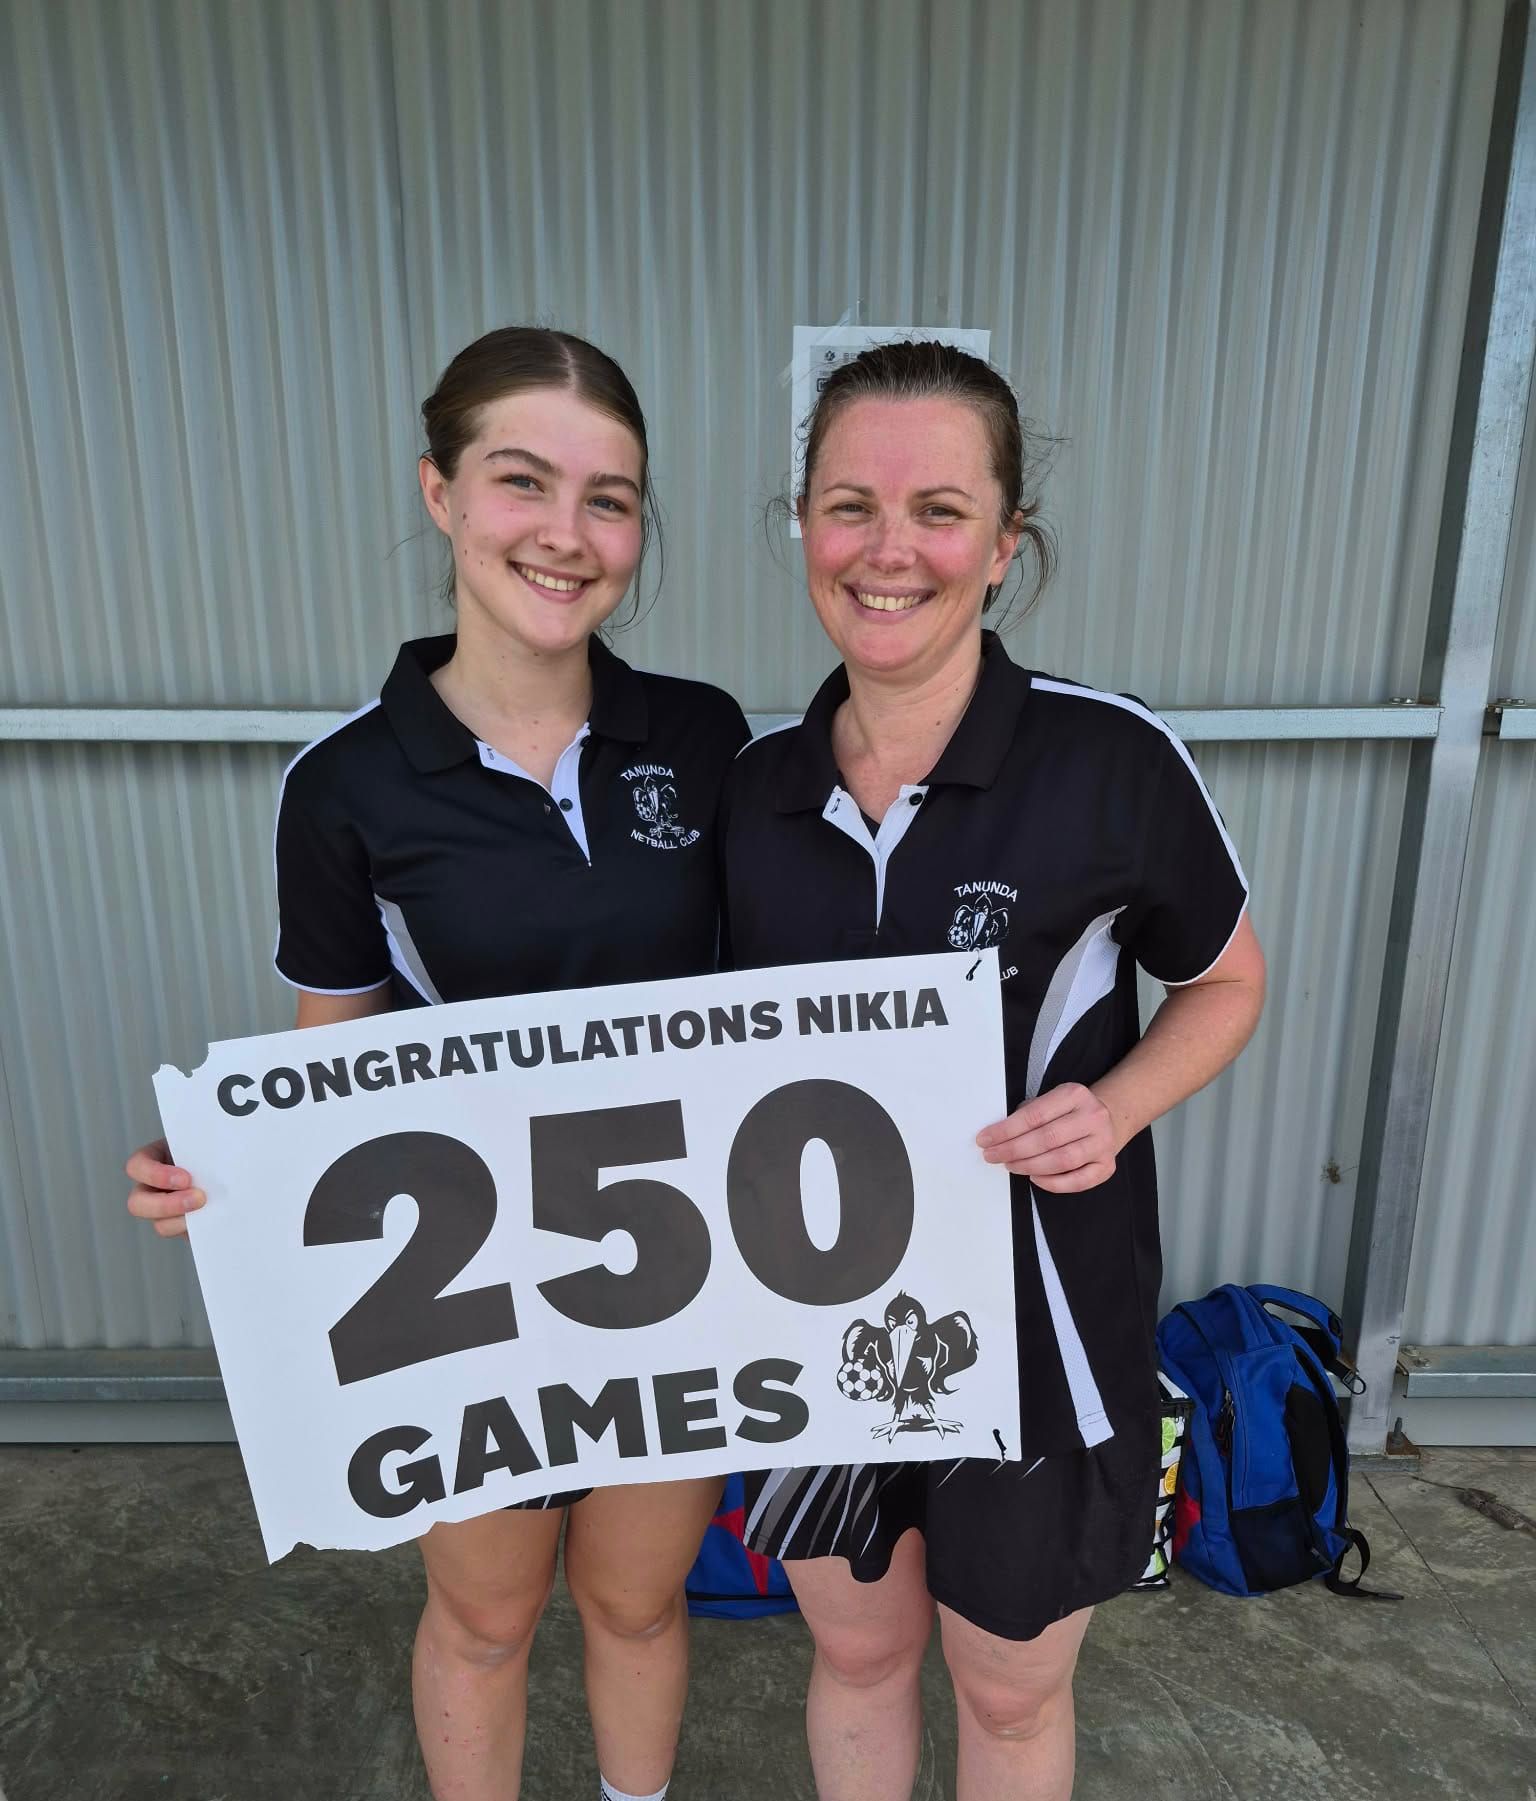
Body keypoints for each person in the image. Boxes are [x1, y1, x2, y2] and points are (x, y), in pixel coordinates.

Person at [126, 326, 750, 1801]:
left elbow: (775, 1004)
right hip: (466, 1286)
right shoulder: (348, 783)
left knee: (640, 1599)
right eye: (521, 480)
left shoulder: (712, 739)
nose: (567, 532)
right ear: (440, 492)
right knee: (484, 1611)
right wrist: (234, 1173)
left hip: (677, 1268)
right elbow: (329, 1054)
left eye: (611, 497)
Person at [721, 340, 1266, 1801]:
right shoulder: (752, 791)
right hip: (817, 1324)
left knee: (1012, 1696)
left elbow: (1225, 981)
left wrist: (1120, 1101)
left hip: (1042, 1331)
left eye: (940, 510)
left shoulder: (1110, 763)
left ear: (1006, 544)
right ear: (803, 526)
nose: (888, 549)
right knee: (857, 1653)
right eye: (849, 505)